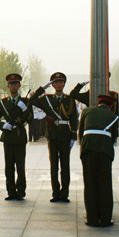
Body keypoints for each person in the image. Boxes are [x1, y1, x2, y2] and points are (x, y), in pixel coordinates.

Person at [29, 72, 78, 203]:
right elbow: (31, 101)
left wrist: (74, 136)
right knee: (54, 165)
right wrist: (42, 88)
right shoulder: (47, 99)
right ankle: (55, 193)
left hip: (66, 134)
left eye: (61, 82)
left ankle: (65, 193)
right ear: (52, 84)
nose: (59, 84)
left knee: (65, 165)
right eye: (56, 82)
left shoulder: (69, 99)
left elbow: (74, 118)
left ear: (64, 84)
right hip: (52, 134)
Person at [79, 94, 118, 227]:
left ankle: (92, 218)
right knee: (105, 184)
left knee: (90, 183)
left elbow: (80, 133)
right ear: (111, 106)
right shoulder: (113, 116)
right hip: (105, 150)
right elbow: (114, 137)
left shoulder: (86, 111)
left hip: (88, 148)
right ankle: (106, 218)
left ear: (98, 103)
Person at [0, 73, 32, 200]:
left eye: (15, 83)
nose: (13, 86)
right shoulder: (3, 102)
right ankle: (11, 191)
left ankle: (21, 191)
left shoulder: (25, 101)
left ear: (19, 85)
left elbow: (30, 119)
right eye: (11, 84)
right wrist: (2, 125)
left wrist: (25, 109)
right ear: (8, 86)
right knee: (9, 166)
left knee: (20, 165)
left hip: (20, 136)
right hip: (8, 136)